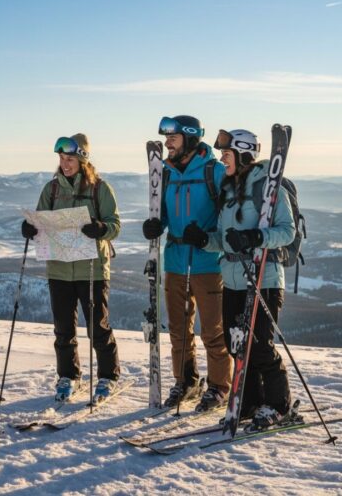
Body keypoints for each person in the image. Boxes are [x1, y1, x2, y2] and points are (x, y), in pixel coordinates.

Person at [182, 128, 294, 428]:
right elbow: (224, 239)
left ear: (244, 154)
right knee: (237, 345)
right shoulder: (230, 191)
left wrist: (256, 236)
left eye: (227, 154)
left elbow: (287, 231)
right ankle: (251, 403)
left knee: (259, 346)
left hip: (263, 279)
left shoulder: (269, 189)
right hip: (232, 279)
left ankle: (279, 405)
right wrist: (204, 240)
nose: (223, 159)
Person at [21, 134, 121, 403]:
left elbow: (115, 225)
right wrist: (31, 228)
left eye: (70, 159)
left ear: (83, 160)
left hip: (93, 269)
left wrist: (102, 229)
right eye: (62, 159)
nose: (65, 164)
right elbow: (41, 220)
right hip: (59, 269)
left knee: (97, 326)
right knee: (63, 329)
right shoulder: (51, 190)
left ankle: (107, 376)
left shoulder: (100, 189)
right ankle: (68, 376)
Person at [142, 115, 232, 411]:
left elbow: (230, 216)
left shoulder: (214, 172)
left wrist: (207, 237)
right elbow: (164, 214)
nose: (168, 142)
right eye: (166, 137)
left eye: (173, 137)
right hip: (176, 262)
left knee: (212, 331)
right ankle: (186, 381)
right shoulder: (166, 173)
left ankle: (219, 386)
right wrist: (155, 226)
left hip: (207, 264)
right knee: (179, 329)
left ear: (190, 139)